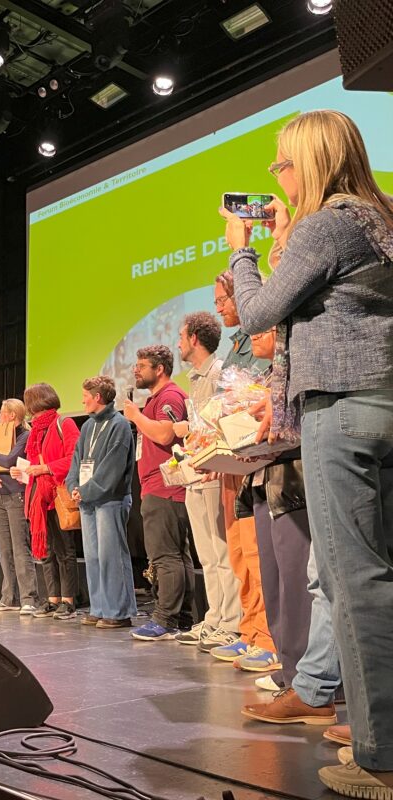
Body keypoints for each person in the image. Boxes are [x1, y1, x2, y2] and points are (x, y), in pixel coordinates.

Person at [221, 109, 393, 798]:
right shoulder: (378, 220)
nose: (276, 176)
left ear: (311, 163)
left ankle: (381, 757)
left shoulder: (326, 224)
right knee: (375, 573)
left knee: (357, 583)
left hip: (342, 411)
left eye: (282, 163)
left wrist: (242, 249)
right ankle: (376, 725)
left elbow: (258, 314)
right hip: (380, 402)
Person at [238, 328, 335, 726]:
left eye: (261, 329)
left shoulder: (303, 371)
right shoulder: (268, 378)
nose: (252, 335)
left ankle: (310, 682)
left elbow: (301, 429)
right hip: (265, 484)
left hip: (293, 484)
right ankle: (294, 673)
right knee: (276, 586)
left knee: (301, 588)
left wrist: (274, 416)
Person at [211, 272, 277, 672]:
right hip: (229, 457)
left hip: (255, 453)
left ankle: (270, 637)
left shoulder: (265, 337)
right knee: (238, 552)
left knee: (257, 550)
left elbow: (255, 392)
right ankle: (250, 631)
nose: (218, 307)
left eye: (223, 300)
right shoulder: (237, 343)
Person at [172, 313, 242, 651]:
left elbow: (224, 421)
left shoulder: (218, 373)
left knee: (222, 550)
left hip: (214, 471)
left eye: (182, 336)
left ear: (195, 338)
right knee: (207, 555)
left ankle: (232, 622)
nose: (178, 343)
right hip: (195, 474)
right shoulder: (195, 378)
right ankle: (215, 617)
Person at [123, 345, 194, 640]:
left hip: (165, 486)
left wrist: (136, 416)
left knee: (166, 556)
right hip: (162, 486)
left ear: (159, 368)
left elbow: (166, 433)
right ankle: (182, 617)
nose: (135, 370)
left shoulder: (169, 396)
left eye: (141, 365)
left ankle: (165, 619)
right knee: (177, 555)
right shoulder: (160, 398)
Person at [66, 375, 137, 629]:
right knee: (94, 556)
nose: (82, 400)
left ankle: (118, 612)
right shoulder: (87, 427)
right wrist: (74, 487)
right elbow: (77, 460)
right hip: (87, 500)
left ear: (97, 397)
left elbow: (112, 468)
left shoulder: (119, 425)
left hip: (110, 499)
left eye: (85, 396)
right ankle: (99, 607)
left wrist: (86, 490)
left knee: (111, 555)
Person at [17, 383, 80, 621]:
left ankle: (68, 600)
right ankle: (52, 599)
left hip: (59, 495)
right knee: (48, 551)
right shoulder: (36, 431)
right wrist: (24, 472)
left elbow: (74, 457)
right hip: (40, 498)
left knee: (65, 550)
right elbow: (34, 463)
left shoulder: (64, 424)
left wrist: (46, 468)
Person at [0, 399, 39, 614]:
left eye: (2, 413)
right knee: (4, 548)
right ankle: (8, 597)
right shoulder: (0, 436)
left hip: (16, 495)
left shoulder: (24, 435)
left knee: (20, 547)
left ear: (12, 415)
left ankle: (28, 598)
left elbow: (9, 460)